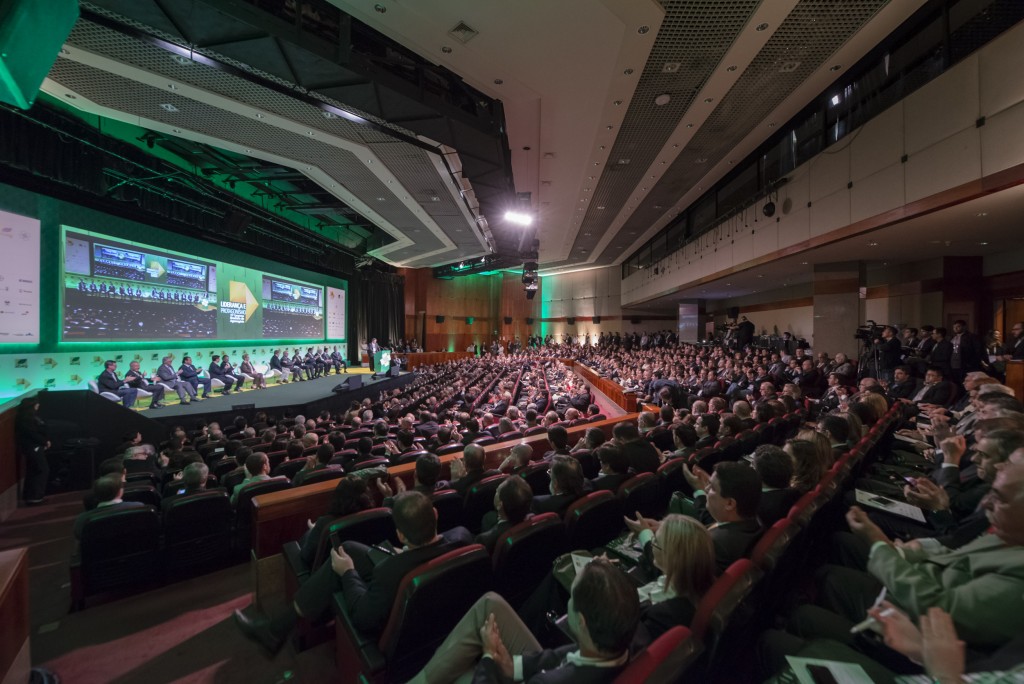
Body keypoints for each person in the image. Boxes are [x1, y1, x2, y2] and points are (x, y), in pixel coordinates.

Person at [234, 491, 472, 652]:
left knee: (340, 563)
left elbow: (362, 617)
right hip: (419, 570)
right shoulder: (463, 537)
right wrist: (405, 552)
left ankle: (276, 630)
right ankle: (280, 627)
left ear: (400, 534)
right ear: (436, 515)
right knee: (346, 548)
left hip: (399, 621)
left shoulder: (388, 573)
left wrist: (348, 572)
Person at [409, 558, 641, 683]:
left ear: (582, 622)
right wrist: (515, 667)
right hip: (552, 671)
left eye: (572, 597)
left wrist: (489, 656)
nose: (569, 600)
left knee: (464, 673)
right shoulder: (624, 641)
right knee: (491, 603)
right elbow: (571, 655)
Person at [298, 476, 373, 566]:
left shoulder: (325, 524)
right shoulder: (375, 515)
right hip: (364, 563)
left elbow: (306, 556)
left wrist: (314, 530)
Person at [16, 397, 50, 505]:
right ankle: (35, 498)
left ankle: (31, 497)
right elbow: (33, 434)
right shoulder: (26, 420)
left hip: (34, 447)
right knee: (41, 470)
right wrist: (45, 442)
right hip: (33, 448)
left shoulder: (29, 418)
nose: (38, 406)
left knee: (33, 470)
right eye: (36, 404)